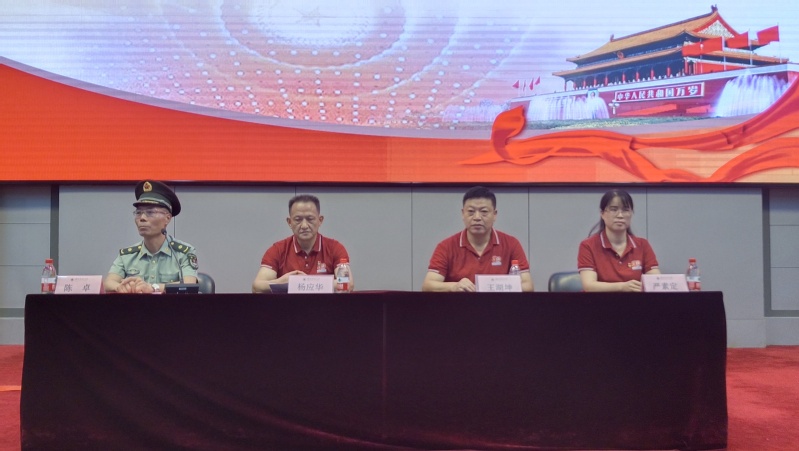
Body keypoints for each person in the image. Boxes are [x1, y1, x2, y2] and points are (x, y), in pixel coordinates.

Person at [422, 186, 534, 292]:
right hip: (460, 305)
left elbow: (528, 285)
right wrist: (454, 286)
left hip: (499, 304)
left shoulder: (511, 244)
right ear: (463, 214)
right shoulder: (446, 247)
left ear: (494, 215)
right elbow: (428, 286)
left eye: (484, 212)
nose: (477, 217)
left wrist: (494, 286)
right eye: (471, 212)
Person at [105, 180, 198, 294]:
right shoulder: (127, 255)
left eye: (150, 212)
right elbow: (108, 282)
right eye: (138, 213)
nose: (142, 218)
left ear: (167, 218)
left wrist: (153, 287)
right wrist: (121, 287)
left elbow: (189, 284)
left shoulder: (183, 253)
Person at [252, 194, 353, 293]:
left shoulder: (335, 248)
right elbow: (257, 287)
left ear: (320, 220)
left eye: (310, 219)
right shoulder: (277, 250)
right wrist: (281, 282)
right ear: (289, 222)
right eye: (298, 220)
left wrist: (299, 283)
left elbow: (346, 284)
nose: (304, 225)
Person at [577, 189, 660, 292]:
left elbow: (656, 281)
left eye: (625, 210)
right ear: (602, 214)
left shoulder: (643, 245)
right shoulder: (588, 245)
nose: (620, 215)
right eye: (613, 209)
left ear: (631, 214)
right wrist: (622, 287)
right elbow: (589, 286)